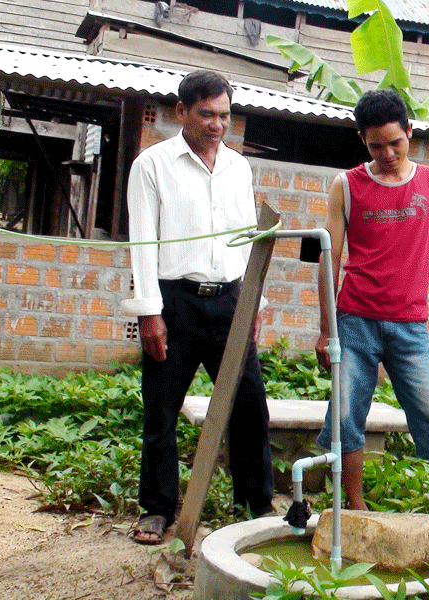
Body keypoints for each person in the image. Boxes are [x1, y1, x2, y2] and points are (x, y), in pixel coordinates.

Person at [122, 70, 274, 544]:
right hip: (175, 303)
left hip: (231, 301)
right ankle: (157, 508)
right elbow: (142, 242)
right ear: (181, 112)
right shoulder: (152, 165)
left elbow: (250, 240)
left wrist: (254, 305)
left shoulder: (238, 168)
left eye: (224, 115)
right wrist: (149, 312)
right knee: (161, 410)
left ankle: (256, 504)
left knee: (249, 405)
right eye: (206, 113)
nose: (216, 124)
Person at [314, 89, 429, 512]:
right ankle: (355, 509)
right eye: (376, 145)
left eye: (396, 142)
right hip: (355, 321)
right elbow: (330, 258)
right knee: (345, 418)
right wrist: (327, 330)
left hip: (411, 324)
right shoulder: (347, 185)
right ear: (363, 140)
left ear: (410, 132)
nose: (388, 153)